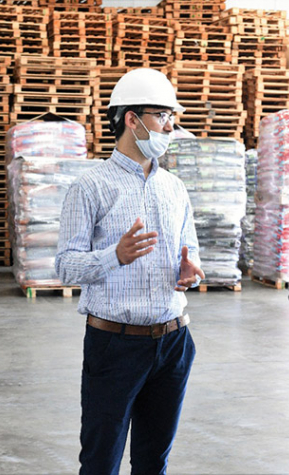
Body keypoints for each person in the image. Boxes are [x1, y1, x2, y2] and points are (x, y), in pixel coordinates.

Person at [55, 68, 204, 475]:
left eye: (173, 117)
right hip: (115, 346)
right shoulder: (91, 186)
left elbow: (189, 251)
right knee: (101, 459)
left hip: (173, 342)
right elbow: (65, 266)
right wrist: (113, 257)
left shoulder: (174, 187)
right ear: (131, 119)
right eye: (162, 116)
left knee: (154, 459)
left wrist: (190, 268)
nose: (171, 126)